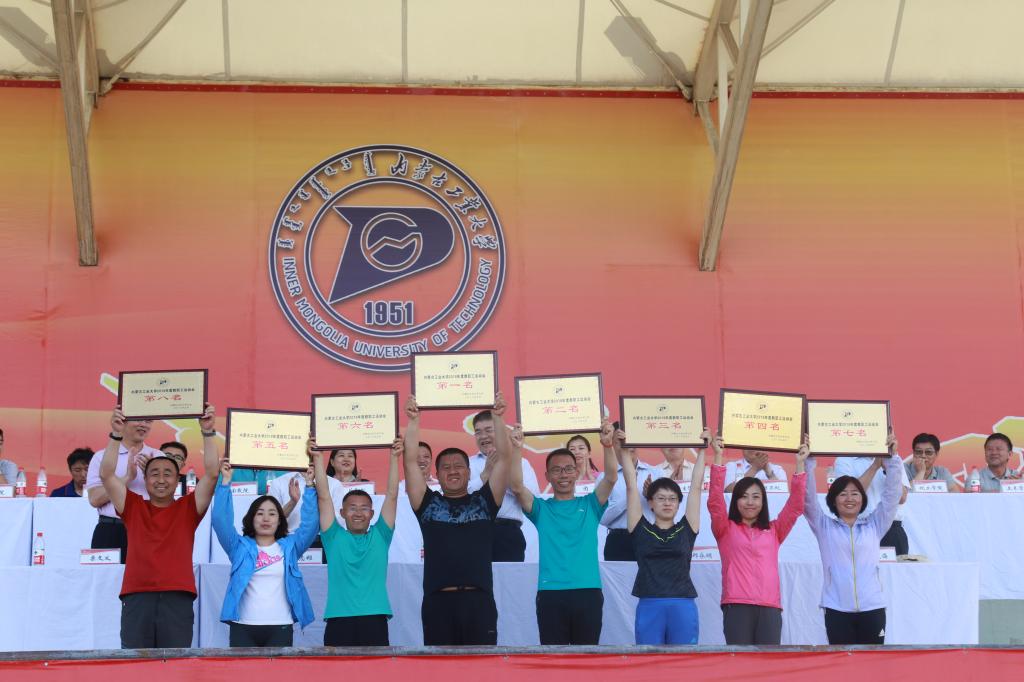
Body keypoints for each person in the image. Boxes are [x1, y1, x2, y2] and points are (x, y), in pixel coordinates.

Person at [100, 403, 219, 648]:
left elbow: (212, 474)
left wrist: (207, 432)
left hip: (177, 597)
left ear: (177, 480)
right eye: (154, 473)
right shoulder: (133, 506)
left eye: (168, 474)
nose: (161, 479)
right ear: (145, 479)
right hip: (137, 595)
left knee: (174, 664)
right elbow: (107, 476)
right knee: (135, 664)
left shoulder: (188, 508)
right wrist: (116, 434)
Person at [404, 393, 508, 646]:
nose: (453, 471)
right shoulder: (427, 504)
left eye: (459, 466)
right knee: (440, 667)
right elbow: (409, 461)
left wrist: (498, 418)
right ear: (437, 474)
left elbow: (505, 458)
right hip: (438, 603)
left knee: (482, 666)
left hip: (479, 602)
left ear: (469, 472)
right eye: (446, 467)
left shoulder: (485, 501)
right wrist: (413, 421)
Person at [511, 419, 618, 645]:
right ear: (547, 476)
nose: (563, 475)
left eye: (568, 469)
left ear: (577, 472)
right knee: (553, 659)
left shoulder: (590, 504)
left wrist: (608, 446)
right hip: (551, 592)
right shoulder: (541, 509)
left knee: (586, 658)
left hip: (588, 591)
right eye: (556, 470)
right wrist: (517, 449)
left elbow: (610, 478)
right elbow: (517, 487)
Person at [709, 434, 808, 645]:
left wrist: (800, 464)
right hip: (737, 606)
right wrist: (717, 457)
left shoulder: (774, 530)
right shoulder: (725, 529)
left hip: (770, 607)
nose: (750, 502)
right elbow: (715, 501)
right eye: (744, 496)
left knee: (768, 663)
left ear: (763, 502)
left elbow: (796, 506)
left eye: (756, 497)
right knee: (740, 663)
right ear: (735, 501)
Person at [804, 434, 903, 645]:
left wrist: (892, 458)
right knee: (841, 663)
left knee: (872, 663)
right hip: (836, 609)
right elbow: (808, 500)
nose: (849, 498)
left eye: (855, 494)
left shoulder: (875, 525)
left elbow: (892, 496)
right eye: (843, 494)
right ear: (833, 500)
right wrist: (808, 462)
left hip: (873, 608)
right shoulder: (824, 527)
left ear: (862, 499)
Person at [213, 455, 318, 647]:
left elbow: (310, 526)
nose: (266, 519)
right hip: (242, 626)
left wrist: (310, 487)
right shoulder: (238, 547)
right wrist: (225, 483)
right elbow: (221, 521)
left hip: (280, 625)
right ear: (251, 519)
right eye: (260, 513)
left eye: (272, 514)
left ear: (280, 520)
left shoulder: (291, 547)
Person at [624, 429, 709, 645]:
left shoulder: (687, 528)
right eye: (661, 498)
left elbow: (696, 487)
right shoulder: (639, 528)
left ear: (679, 503)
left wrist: (702, 451)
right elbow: (631, 486)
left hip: (682, 604)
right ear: (650, 502)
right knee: (648, 662)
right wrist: (624, 450)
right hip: (649, 604)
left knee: (684, 661)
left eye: (672, 498)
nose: (667, 503)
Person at [315, 436, 401, 646]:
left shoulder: (381, 535)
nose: (358, 513)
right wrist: (317, 457)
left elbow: (392, 495)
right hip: (339, 619)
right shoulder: (333, 537)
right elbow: (324, 496)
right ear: (342, 513)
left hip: (375, 618)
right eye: (352, 508)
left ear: (372, 513)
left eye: (364, 508)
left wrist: (394, 457)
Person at [86, 412, 160, 562]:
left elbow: (167, 500)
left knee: (146, 575)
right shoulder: (102, 457)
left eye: (148, 421)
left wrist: (152, 476)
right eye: (138, 419)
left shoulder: (158, 457)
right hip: (110, 529)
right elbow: (94, 499)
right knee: (105, 576)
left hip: (147, 528)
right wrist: (126, 478)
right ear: (123, 421)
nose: (143, 425)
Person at [468, 409, 539, 562]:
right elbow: (462, 497)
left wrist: (504, 469)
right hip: (474, 531)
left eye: (489, 430)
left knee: (509, 577)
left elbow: (532, 500)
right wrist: (485, 474)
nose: (483, 436)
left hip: (508, 534)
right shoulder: (468, 463)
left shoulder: (521, 463)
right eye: (478, 432)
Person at [833, 454, 911, 555]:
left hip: (892, 530)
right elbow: (849, 496)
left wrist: (889, 470)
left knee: (897, 565)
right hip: (860, 529)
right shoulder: (844, 460)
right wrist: (874, 466)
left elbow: (901, 498)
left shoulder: (894, 458)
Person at [599, 445, 657, 561]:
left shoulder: (656, 473)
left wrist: (651, 498)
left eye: (631, 442)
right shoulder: (605, 478)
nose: (629, 446)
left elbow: (668, 511)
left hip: (650, 536)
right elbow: (601, 518)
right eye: (623, 443)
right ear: (614, 446)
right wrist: (630, 492)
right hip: (617, 541)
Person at [724, 449, 788, 492]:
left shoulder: (777, 469)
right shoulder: (732, 466)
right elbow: (728, 491)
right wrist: (755, 468)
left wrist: (770, 474)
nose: (752, 448)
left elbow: (783, 494)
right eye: (748, 443)